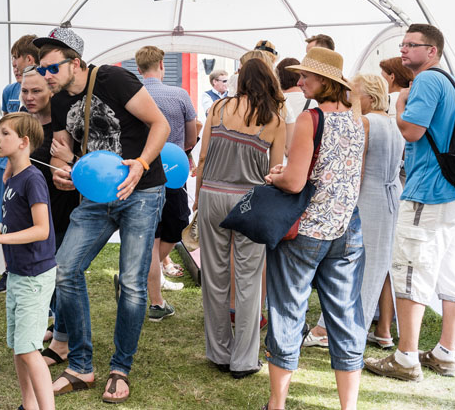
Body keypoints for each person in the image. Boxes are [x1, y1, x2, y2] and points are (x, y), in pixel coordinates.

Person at [37, 27, 169, 403]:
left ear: (75, 63)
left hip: (141, 192)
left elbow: (161, 125)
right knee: (66, 268)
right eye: (42, 69)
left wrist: (142, 163)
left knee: (132, 283)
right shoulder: (59, 100)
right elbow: (64, 151)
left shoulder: (113, 79)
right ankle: (81, 365)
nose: (46, 76)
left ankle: (120, 368)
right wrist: (64, 173)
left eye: (51, 68)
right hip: (95, 198)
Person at [263, 47, 365, 410]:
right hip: (346, 227)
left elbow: (294, 182)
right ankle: (348, 407)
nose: (301, 80)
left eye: (306, 75)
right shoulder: (358, 118)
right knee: (345, 316)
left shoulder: (311, 118)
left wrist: (275, 177)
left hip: (306, 228)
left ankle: (277, 404)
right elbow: (348, 175)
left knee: (288, 312)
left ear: (324, 80)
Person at [365, 23, 455, 382]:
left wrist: (399, 105)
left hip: (427, 190)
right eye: (403, 44)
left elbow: (411, 131)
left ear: (432, 51)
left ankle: (406, 358)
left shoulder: (425, 81)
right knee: (453, 274)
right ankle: (445, 353)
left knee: (410, 269)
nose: (403, 50)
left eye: (412, 45)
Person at [194, 59, 286, 378]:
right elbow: (275, 173)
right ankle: (244, 360)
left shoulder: (219, 108)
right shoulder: (274, 120)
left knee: (214, 276)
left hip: (212, 194)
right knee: (248, 279)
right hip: (250, 201)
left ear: (240, 80)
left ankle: (219, 352)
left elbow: (202, 156)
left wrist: (198, 196)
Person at [302, 74, 403, 350]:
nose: (349, 99)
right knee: (379, 266)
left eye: (353, 94)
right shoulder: (394, 123)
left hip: (367, 198)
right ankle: (373, 328)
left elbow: (356, 168)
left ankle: (328, 328)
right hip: (390, 198)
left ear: (368, 96)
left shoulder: (366, 123)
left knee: (349, 264)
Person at [0, 112, 57, 410]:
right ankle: (29, 405)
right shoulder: (12, 177)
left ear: (24, 142)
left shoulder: (33, 179)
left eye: (5, 134)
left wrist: (1, 239)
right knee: (18, 346)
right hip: (17, 273)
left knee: (29, 350)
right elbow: (17, 223)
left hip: (34, 277)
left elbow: (42, 230)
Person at [15, 67, 80, 364]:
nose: (29, 97)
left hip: (63, 213)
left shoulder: (64, 125)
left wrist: (70, 164)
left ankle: (62, 342)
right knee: (46, 278)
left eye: (36, 91)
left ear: (52, 91)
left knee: (60, 276)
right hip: (35, 216)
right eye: (25, 91)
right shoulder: (23, 122)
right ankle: (58, 327)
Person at [135, 45, 198, 321]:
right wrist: (182, 152)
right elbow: (191, 138)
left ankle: (149, 292)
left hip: (141, 171)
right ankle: (156, 300)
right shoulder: (180, 95)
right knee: (176, 225)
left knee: (151, 237)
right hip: (173, 171)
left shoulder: (133, 95)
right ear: (162, 64)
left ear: (139, 69)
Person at [0, 34, 39, 295]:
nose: (13, 64)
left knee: (31, 218)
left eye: (15, 58)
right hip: (4, 167)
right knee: (7, 217)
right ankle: (9, 270)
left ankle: (30, 267)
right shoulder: (9, 91)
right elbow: (4, 126)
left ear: (28, 59)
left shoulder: (45, 88)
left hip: (29, 167)